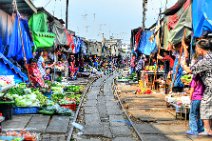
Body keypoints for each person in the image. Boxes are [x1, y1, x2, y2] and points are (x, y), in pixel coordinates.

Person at [183, 39, 212, 135]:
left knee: (204, 109)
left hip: (210, 88)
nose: (195, 50)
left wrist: (183, 64)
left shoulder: (205, 61)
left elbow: (189, 70)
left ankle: (207, 130)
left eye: (196, 48)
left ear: (200, 49)